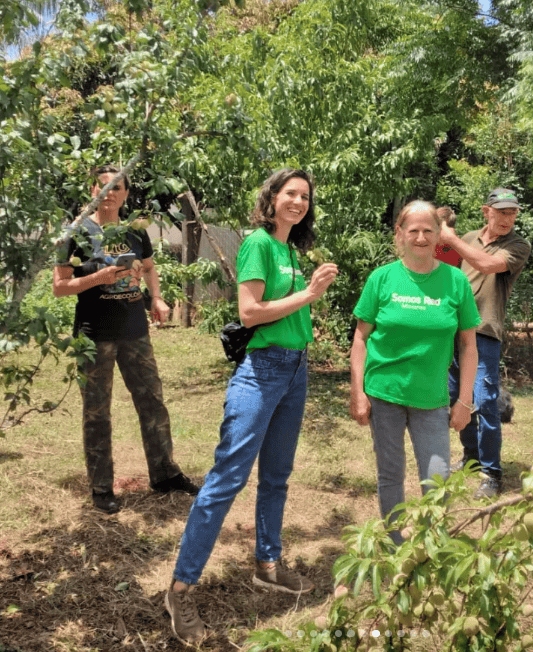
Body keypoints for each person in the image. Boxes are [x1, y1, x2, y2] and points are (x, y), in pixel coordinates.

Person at [164, 168, 338, 646]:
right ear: (273, 198)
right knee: (227, 480)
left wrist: (306, 298)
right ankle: (180, 587)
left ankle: (267, 564)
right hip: (262, 372)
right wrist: (309, 294)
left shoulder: (289, 250)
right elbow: (249, 312)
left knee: (278, 475)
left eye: (305, 196)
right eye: (290, 194)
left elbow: (287, 309)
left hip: (296, 369)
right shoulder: (258, 243)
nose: (298, 202)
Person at [54, 165, 198, 515]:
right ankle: (102, 487)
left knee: (152, 401)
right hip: (94, 336)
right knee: (97, 414)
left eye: (117, 187)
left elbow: (148, 267)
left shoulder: (135, 230)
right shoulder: (74, 233)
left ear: (125, 193)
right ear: (92, 191)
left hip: (135, 330)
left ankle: (165, 474)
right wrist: (97, 278)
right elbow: (60, 287)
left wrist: (158, 298)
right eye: (104, 187)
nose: (111, 193)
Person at [350, 201, 479, 545]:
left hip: (431, 398)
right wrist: (358, 392)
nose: (421, 237)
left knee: (437, 478)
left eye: (428, 230)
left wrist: (465, 400)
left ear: (440, 235)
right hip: (384, 394)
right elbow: (361, 338)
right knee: (390, 473)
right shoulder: (382, 278)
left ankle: (432, 544)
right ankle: (396, 543)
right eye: (413, 230)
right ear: (400, 235)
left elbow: (468, 346)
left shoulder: (456, 281)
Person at [438, 187, 531, 496]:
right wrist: (438, 227)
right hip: (453, 330)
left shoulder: (517, 245)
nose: (507, 218)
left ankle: (492, 473)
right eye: (501, 212)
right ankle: (471, 457)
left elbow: (489, 265)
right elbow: (441, 267)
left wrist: (450, 238)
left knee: (484, 401)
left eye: (512, 212)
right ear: (486, 211)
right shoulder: (466, 238)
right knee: (454, 396)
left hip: (485, 332)